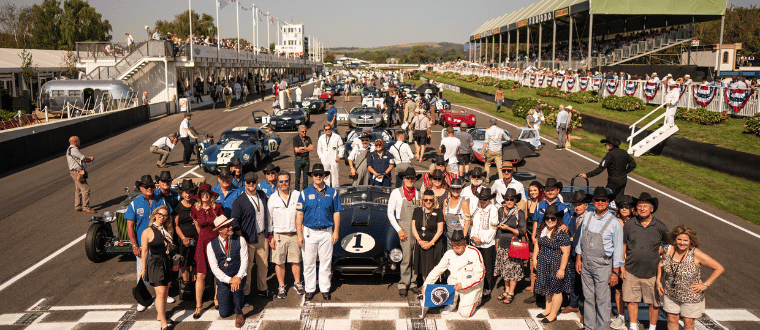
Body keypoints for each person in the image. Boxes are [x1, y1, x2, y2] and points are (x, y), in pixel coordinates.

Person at [575, 187, 624, 330]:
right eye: (597, 200)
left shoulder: (614, 223)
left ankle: (603, 328)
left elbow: (618, 250)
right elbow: (580, 241)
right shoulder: (587, 217)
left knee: (602, 300)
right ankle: (589, 327)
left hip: (603, 265)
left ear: (608, 202)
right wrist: (579, 258)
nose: (600, 202)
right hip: (586, 263)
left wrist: (615, 272)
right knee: (588, 298)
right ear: (593, 201)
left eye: (603, 200)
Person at [658, 225, 724, 330]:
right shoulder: (668, 249)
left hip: (691, 296)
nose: (682, 243)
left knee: (688, 323)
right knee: (671, 319)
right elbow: (661, 263)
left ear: (691, 241)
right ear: (674, 239)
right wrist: (658, 280)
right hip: (670, 293)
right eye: (679, 239)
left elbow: (719, 268)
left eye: (685, 240)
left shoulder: (696, 253)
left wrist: (705, 285)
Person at [125, 175, 174, 312]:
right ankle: (143, 299)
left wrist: (169, 240)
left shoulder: (162, 200)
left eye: (152, 186)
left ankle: (165, 294)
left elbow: (169, 220)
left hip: (160, 243)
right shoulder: (134, 204)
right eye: (146, 187)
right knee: (142, 271)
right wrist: (134, 245)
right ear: (140, 188)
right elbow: (130, 226)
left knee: (163, 268)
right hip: (143, 244)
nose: (150, 189)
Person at [621, 192, 669, 330]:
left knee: (654, 303)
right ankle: (633, 325)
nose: (642, 209)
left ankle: (652, 327)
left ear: (652, 209)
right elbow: (624, 245)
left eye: (645, 206)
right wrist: (621, 265)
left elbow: (670, 244)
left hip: (653, 272)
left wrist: (663, 249)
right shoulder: (629, 224)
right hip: (631, 269)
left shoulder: (660, 226)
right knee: (631, 300)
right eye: (639, 206)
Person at [296, 164, 343, 301]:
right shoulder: (304, 193)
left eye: (320, 174)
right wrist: (299, 234)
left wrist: (336, 232)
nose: (318, 177)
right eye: (315, 174)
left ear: (324, 176)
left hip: (326, 232)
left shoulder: (332, 193)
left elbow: (337, 213)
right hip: (309, 232)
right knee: (309, 262)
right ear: (312, 176)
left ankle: (325, 288)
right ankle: (310, 289)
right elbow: (299, 215)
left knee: (325, 262)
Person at [424, 229, 485, 318]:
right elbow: (437, 270)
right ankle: (452, 304)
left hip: (470, 287)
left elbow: (481, 274)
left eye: (459, 243)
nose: (457, 246)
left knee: (464, 314)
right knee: (451, 279)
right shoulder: (449, 254)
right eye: (454, 243)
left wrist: (464, 284)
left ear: (464, 242)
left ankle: (477, 300)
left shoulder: (474, 253)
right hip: (455, 285)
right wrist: (426, 285)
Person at [231, 172, 271, 300]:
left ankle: (262, 288)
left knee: (263, 265)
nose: (251, 184)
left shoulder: (262, 195)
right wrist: (242, 239)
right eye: (248, 182)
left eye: (253, 182)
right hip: (247, 239)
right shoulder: (239, 201)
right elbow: (235, 223)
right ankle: (246, 293)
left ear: (257, 182)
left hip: (262, 236)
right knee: (246, 268)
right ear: (245, 184)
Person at [206, 215, 248, 328]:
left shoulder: (240, 239)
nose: (230, 227)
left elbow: (244, 261)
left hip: (238, 276)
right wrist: (229, 280)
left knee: (237, 289)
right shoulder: (211, 245)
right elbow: (214, 268)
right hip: (223, 280)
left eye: (230, 225)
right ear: (219, 230)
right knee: (224, 313)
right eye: (227, 226)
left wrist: (238, 277)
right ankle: (233, 299)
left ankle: (239, 312)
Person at [267, 172, 305, 299]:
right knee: (279, 262)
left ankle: (298, 283)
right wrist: (270, 236)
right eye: (281, 181)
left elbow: (302, 214)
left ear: (290, 181)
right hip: (279, 234)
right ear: (277, 183)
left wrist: (301, 233)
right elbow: (269, 218)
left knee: (296, 260)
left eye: (286, 181)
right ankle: (281, 286)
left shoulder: (297, 195)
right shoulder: (273, 198)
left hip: (294, 233)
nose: (284, 183)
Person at [533, 205, 572, 323]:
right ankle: (548, 309)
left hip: (556, 264)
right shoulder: (542, 230)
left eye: (553, 218)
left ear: (558, 219)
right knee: (546, 287)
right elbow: (537, 244)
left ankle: (553, 314)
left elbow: (566, 253)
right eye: (547, 218)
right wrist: (535, 258)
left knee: (556, 290)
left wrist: (562, 269)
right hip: (543, 262)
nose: (550, 220)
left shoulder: (562, 233)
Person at [387, 167, 422, 297]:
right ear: (403, 179)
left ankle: (413, 283)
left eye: (412, 178)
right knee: (406, 258)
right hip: (404, 227)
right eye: (408, 178)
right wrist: (399, 229)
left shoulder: (418, 193)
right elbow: (390, 213)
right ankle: (403, 283)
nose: (410, 180)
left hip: (417, 228)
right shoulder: (396, 193)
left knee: (415, 257)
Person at [138, 206, 175, 330]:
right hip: (156, 264)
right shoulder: (147, 232)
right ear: (154, 215)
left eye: (165, 215)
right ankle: (163, 323)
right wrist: (143, 269)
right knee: (161, 293)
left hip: (167, 263)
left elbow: (172, 246)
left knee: (166, 291)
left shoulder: (167, 230)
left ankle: (160, 315)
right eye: (160, 215)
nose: (162, 218)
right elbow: (144, 252)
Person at [191, 183, 223, 317]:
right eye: (202, 193)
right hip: (202, 242)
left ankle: (216, 299)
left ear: (211, 195)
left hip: (215, 241)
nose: (205, 195)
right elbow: (198, 227)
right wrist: (203, 237)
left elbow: (221, 224)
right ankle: (198, 306)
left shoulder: (218, 208)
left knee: (216, 272)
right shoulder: (195, 209)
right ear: (199, 196)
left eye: (207, 193)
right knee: (201, 275)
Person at [494, 188, 526, 305]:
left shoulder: (519, 213)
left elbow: (523, 232)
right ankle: (506, 290)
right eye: (507, 199)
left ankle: (511, 292)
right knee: (504, 269)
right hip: (502, 244)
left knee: (513, 270)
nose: (509, 201)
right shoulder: (500, 211)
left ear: (516, 200)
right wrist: (497, 241)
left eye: (511, 199)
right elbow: (498, 228)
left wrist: (509, 229)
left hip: (514, 245)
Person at [580, 137, 637, 202]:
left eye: (605, 145)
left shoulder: (610, 154)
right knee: (619, 199)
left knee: (605, 198)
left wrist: (587, 175)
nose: (605, 146)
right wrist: (625, 172)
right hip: (623, 179)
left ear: (609, 146)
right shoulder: (624, 152)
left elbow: (601, 168)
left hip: (614, 181)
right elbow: (633, 164)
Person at [561, 190, 590, 316]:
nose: (577, 207)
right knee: (573, 280)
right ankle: (573, 304)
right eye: (575, 205)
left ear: (586, 206)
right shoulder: (573, 216)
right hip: (572, 253)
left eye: (580, 205)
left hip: (584, 255)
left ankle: (585, 311)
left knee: (584, 283)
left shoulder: (590, 218)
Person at [469, 187, 500, 297]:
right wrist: (472, 235)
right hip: (475, 242)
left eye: (485, 199)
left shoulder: (493, 210)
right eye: (481, 199)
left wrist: (483, 239)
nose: (482, 201)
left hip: (487, 244)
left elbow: (493, 228)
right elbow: (472, 224)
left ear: (489, 200)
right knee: (476, 264)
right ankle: (476, 285)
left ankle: (487, 286)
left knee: (487, 265)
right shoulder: (476, 209)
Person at [612, 195, 637, 327]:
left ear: (632, 209)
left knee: (634, 292)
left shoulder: (638, 222)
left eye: (627, 207)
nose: (624, 209)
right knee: (618, 290)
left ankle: (633, 318)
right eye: (621, 206)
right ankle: (621, 315)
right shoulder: (614, 221)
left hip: (633, 261)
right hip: (617, 260)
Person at [412, 190, 445, 281]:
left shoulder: (438, 211)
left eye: (430, 200)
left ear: (434, 200)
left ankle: (433, 290)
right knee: (423, 268)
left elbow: (440, 230)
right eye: (426, 200)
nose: (428, 202)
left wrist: (430, 243)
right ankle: (425, 289)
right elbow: (413, 227)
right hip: (421, 243)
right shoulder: (417, 210)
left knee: (433, 268)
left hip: (435, 244)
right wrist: (420, 241)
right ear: (422, 200)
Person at [174, 179, 198, 299]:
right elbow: (176, 225)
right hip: (184, 241)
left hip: (197, 239)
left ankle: (197, 289)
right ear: (182, 193)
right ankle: (186, 291)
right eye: (185, 192)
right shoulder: (178, 207)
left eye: (190, 192)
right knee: (185, 265)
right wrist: (183, 238)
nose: (188, 194)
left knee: (196, 265)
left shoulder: (197, 204)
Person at [66, 136, 96, 214]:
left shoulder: (70, 149)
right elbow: (83, 158)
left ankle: (78, 206)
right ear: (75, 142)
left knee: (78, 189)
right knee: (85, 189)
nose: (80, 142)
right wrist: (90, 159)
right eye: (79, 141)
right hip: (77, 172)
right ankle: (85, 207)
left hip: (75, 172)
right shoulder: (74, 150)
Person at [442, 178, 471, 250]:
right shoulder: (446, 201)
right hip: (448, 237)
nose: (455, 190)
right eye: (453, 188)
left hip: (460, 239)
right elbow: (443, 219)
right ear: (450, 189)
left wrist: (463, 238)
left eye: (458, 188)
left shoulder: (464, 202)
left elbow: (467, 222)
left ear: (461, 189)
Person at [482, 118, 512, 184]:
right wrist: (511, 140)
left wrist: (482, 150)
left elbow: (486, 141)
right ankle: (502, 180)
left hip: (490, 150)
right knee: (499, 166)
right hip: (498, 151)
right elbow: (507, 138)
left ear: (490, 123)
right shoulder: (501, 130)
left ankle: (487, 180)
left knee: (487, 165)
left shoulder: (488, 131)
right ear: (496, 123)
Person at [317, 123, 344, 188]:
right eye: (326, 130)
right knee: (326, 175)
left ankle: (336, 189)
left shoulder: (337, 137)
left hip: (334, 158)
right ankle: (326, 189)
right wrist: (321, 157)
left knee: (335, 175)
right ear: (324, 130)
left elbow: (341, 147)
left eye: (329, 129)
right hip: (325, 159)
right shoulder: (321, 138)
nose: (328, 131)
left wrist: (339, 156)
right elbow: (319, 149)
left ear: (331, 129)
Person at [293, 125, 314, 190]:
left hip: (306, 159)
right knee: (297, 177)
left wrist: (301, 148)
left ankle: (304, 191)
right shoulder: (296, 138)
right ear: (299, 132)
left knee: (306, 178)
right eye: (303, 131)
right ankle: (296, 191)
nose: (304, 133)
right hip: (298, 159)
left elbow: (312, 148)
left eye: (305, 131)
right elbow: (296, 150)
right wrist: (307, 148)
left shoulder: (308, 138)